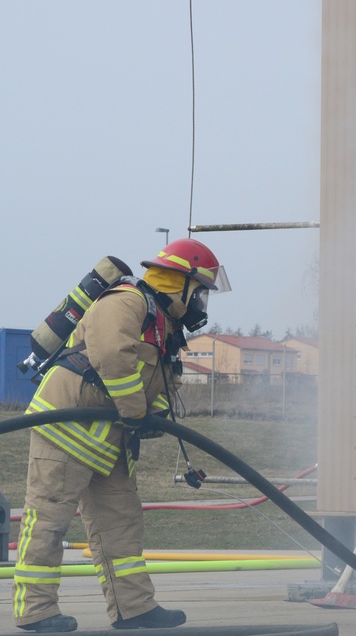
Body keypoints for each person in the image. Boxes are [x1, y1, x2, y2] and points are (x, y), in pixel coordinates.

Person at [12, 238, 230, 633]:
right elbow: (112, 355)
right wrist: (135, 412)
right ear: (181, 283)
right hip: (66, 430)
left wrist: (155, 416)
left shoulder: (165, 327)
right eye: (200, 293)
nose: (201, 304)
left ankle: (134, 608)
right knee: (49, 520)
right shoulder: (127, 300)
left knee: (122, 525)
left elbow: (163, 386)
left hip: (110, 441)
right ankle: (36, 611)